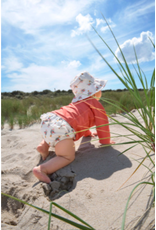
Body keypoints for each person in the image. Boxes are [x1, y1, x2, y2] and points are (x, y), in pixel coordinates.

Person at [33, 72, 115, 183]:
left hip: (50, 120)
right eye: (99, 89)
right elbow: (102, 124)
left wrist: (88, 133)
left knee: (55, 130)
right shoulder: (95, 104)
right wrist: (105, 141)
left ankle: (43, 145)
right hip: (63, 127)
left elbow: (80, 121)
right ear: (94, 92)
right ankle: (42, 169)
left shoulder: (76, 102)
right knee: (67, 156)